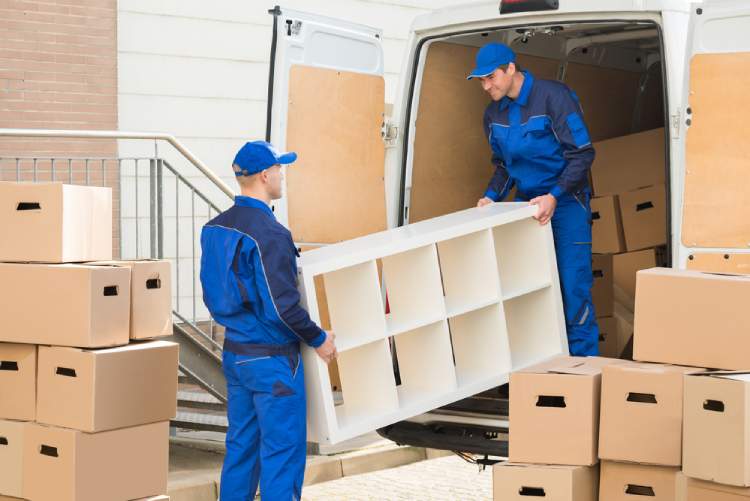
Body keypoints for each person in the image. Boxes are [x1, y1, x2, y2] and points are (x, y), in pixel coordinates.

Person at [199, 140, 337, 500]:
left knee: (242, 451)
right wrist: (319, 338)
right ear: (265, 175)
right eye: (279, 168)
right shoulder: (271, 233)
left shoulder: (215, 229)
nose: (282, 174)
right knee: (281, 456)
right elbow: (283, 308)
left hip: (236, 354)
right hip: (273, 361)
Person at [468, 42, 599, 356]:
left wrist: (554, 196)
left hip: (566, 204)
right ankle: (542, 374)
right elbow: (503, 165)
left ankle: (582, 373)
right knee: (533, 294)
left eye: (491, 77)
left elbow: (582, 154)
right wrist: (490, 197)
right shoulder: (492, 114)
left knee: (572, 289)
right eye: (481, 80)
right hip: (525, 208)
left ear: (511, 69)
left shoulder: (554, 97)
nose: (486, 86)